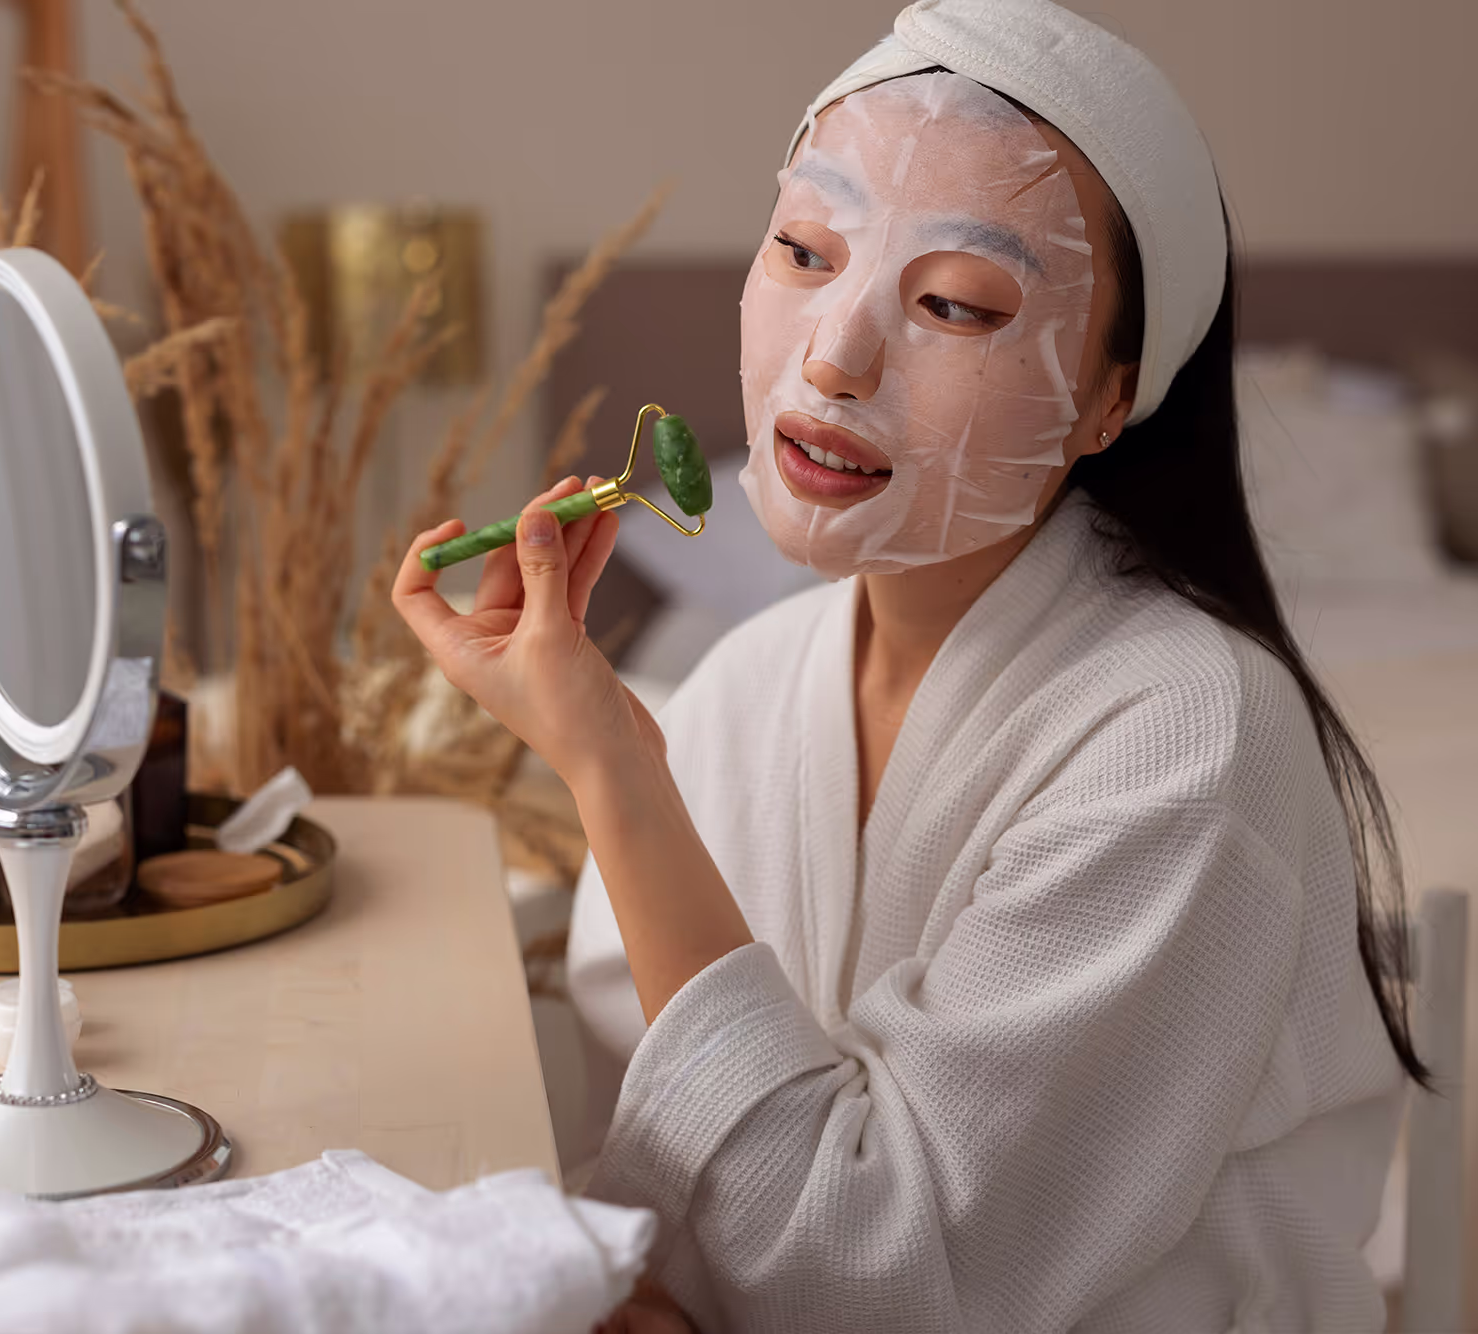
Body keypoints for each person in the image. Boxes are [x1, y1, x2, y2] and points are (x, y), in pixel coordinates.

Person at [394, 2, 1421, 1329]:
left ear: (1115, 398)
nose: (834, 352)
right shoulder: (748, 687)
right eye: (805, 250)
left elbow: (874, 1277)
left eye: (956, 302)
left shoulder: (1187, 738)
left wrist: (612, 763)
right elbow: (659, 1155)